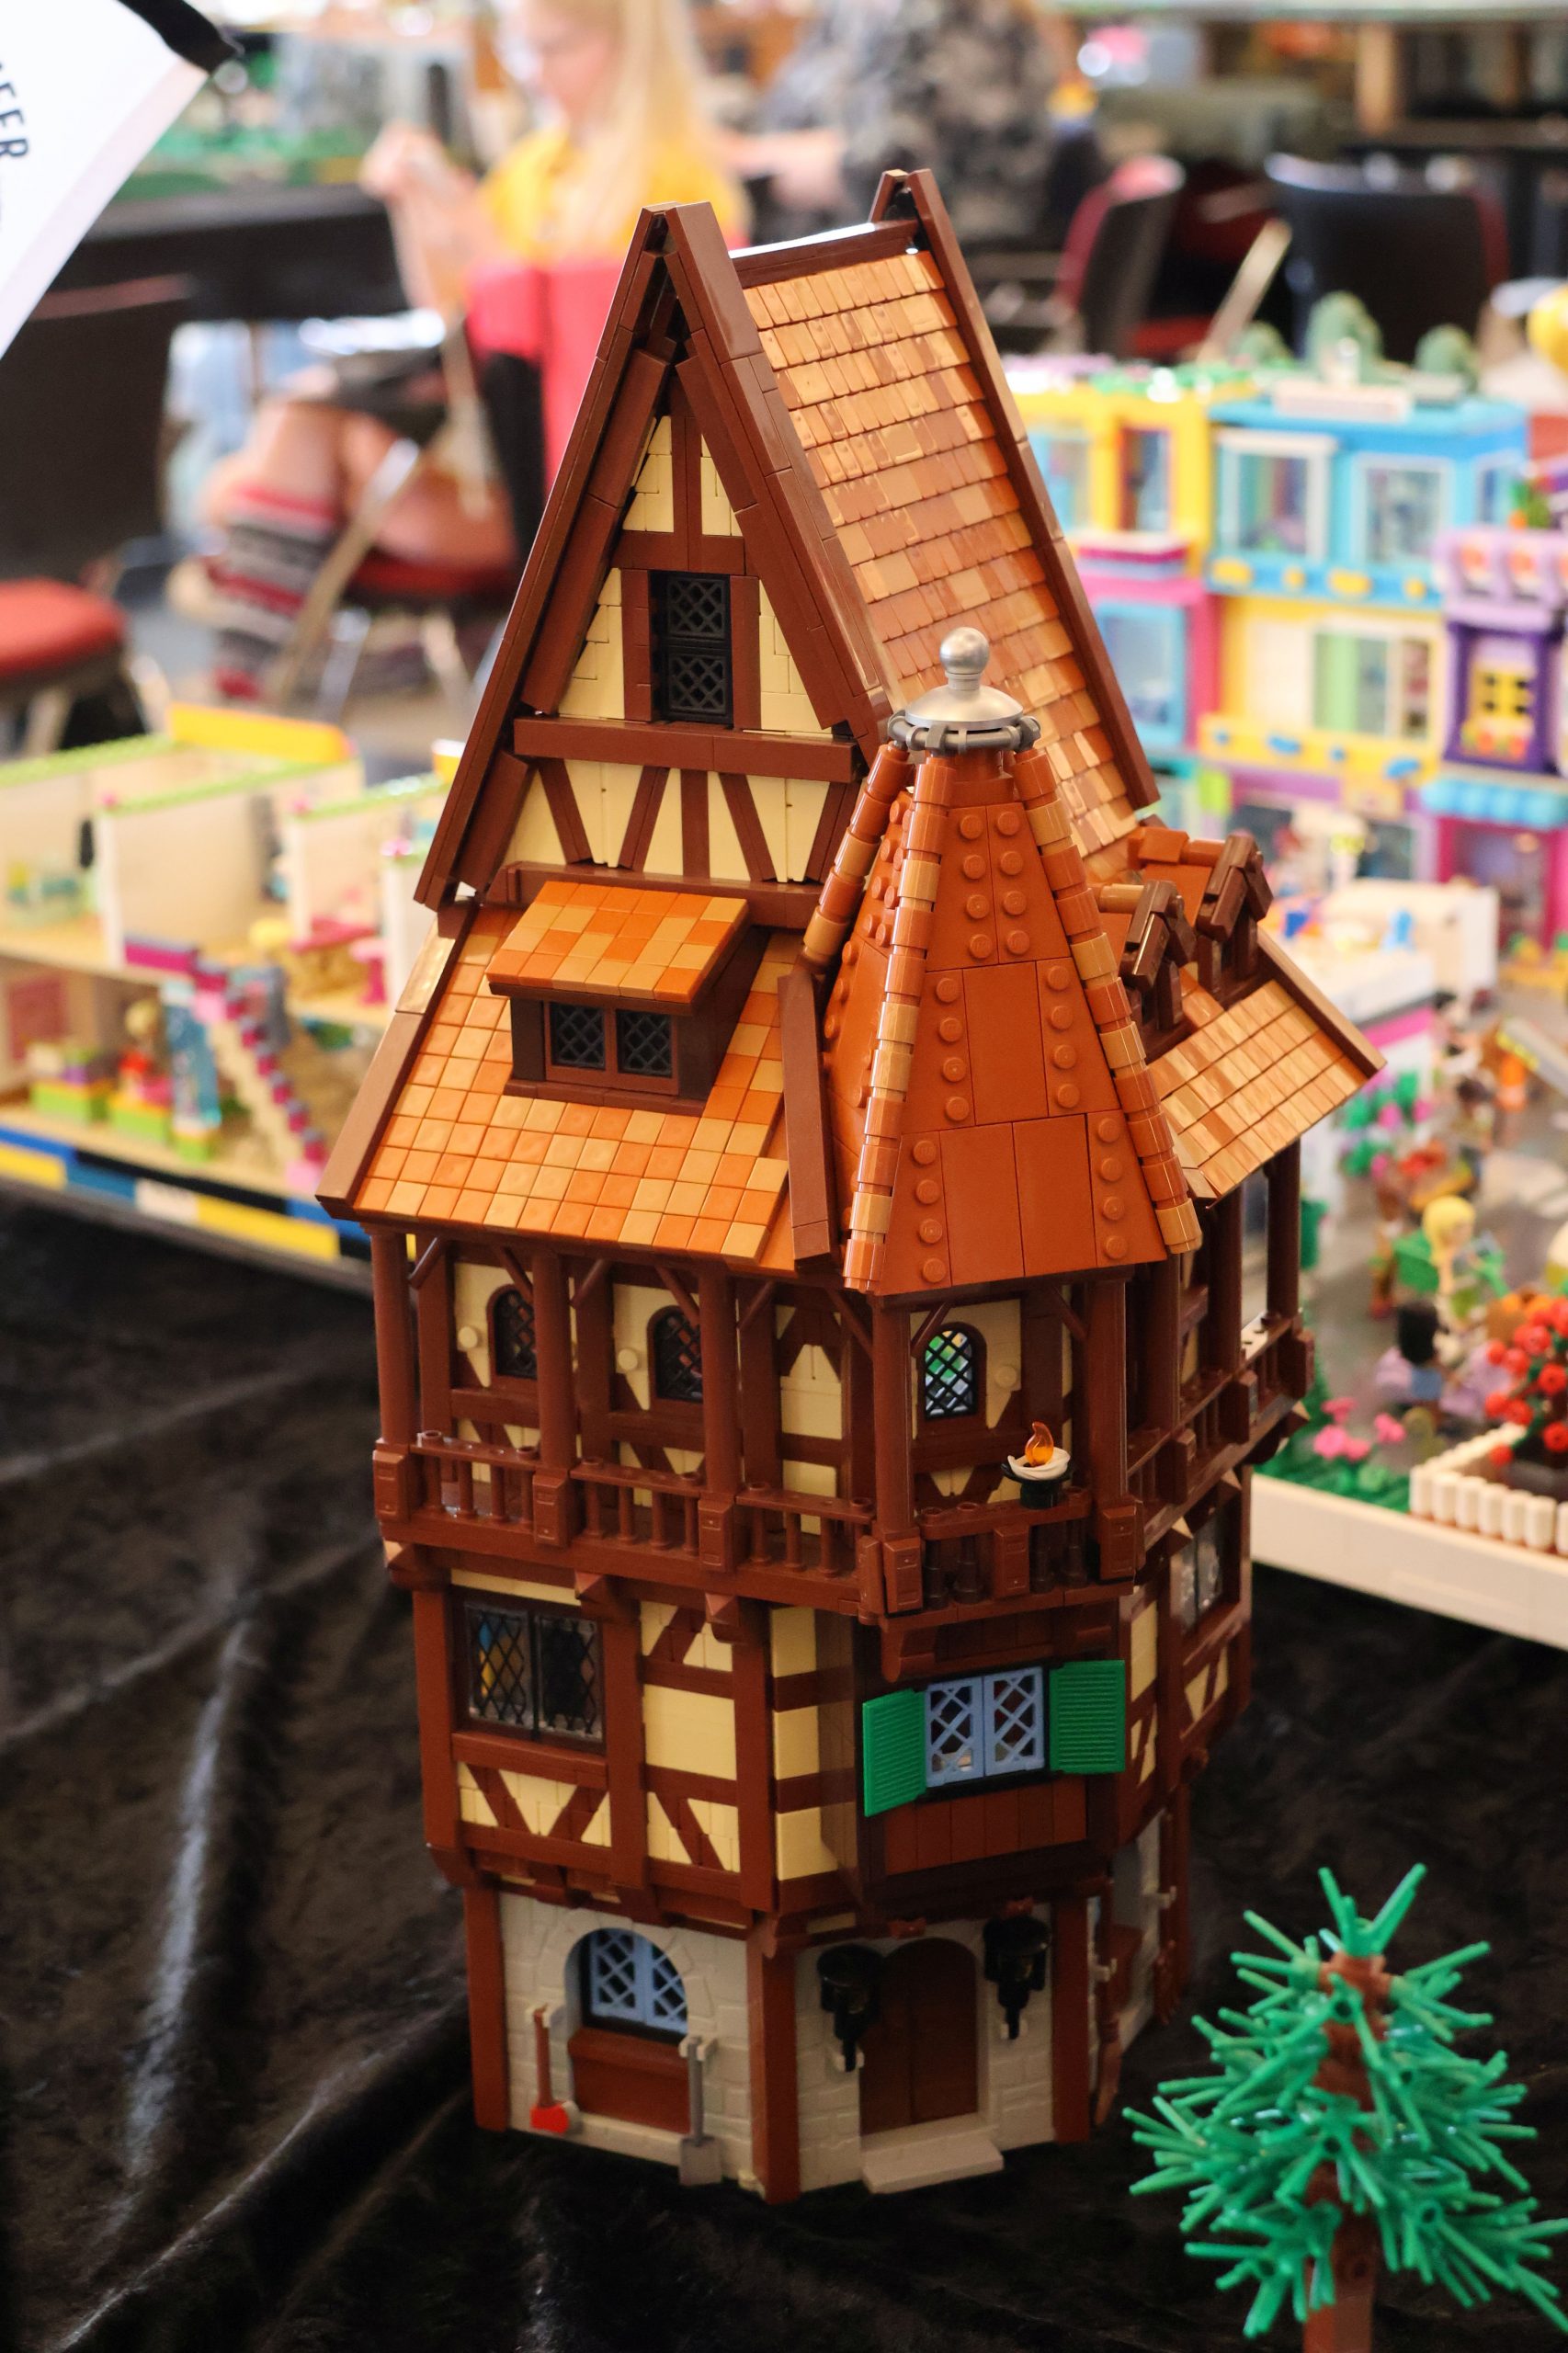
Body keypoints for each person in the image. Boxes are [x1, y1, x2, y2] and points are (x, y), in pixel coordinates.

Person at [201, 0, 744, 699]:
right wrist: (417, 207)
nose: (533, 73)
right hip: (504, 455)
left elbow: (589, 348)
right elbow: (450, 305)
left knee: (280, 452)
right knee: (290, 435)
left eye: (555, 48)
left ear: (631, 45)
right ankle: (261, 673)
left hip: (581, 476)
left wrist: (480, 241)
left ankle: (255, 672)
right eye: (521, 50)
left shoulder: (678, 178)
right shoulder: (535, 165)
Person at [727, 0, 1080, 249]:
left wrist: (745, 157)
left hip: (927, 273)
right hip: (828, 262)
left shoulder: (963, 17)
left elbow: (892, 180)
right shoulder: (847, 12)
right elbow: (780, 114)